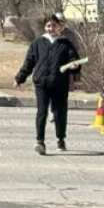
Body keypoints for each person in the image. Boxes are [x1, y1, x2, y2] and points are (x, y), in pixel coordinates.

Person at [15, 13, 82, 155]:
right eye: (48, 25)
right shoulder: (38, 43)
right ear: (45, 27)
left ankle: (60, 138)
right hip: (41, 83)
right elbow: (29, 63)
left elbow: (74, 59)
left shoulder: (65, 43)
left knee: (59, 112)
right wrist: (20, 78)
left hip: (59, 83)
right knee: (42, 112)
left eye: (54, 25)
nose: (51, 28)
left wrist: (74, 66)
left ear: (59, 27)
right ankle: (40, 141)